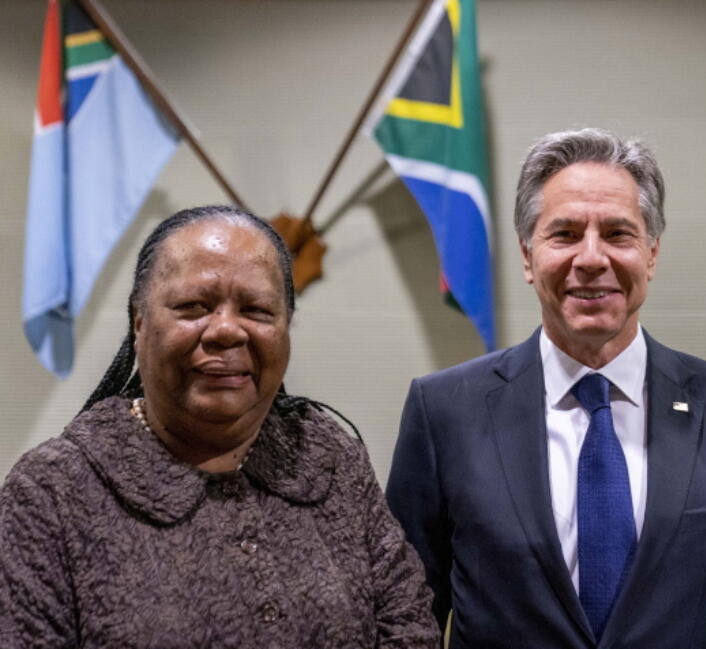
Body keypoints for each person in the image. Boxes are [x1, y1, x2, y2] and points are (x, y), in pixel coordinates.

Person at [387, 128, 706, 649]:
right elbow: (403, 621)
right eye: (566, 234)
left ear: (651, 254)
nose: (592, 258)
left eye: (618, 234)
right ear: (528, 256)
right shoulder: (442, 412)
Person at [0, 205, 439, 648]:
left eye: (258, 310)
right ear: (139, 322)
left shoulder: (329, 458)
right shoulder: (52, 492)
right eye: (193, 307)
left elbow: (409, 629)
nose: (227, 331)